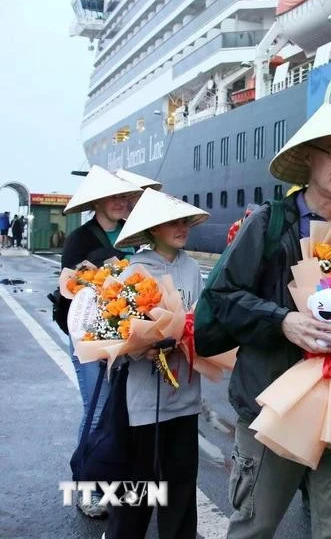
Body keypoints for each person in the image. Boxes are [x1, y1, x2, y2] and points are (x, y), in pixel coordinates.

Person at [197, 103, 331, 539]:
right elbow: (221, 299)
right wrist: (282, 321)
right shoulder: (268, 224)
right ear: (309, 158)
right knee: (253, 527)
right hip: (273, 406)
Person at [105, 188, 208, 539]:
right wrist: (139, 348)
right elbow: (110, 333)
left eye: (184, 221)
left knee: (181, 484)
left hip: (186, 396)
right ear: (152, 230)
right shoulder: (132, 271)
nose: (182, 227)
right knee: (137, 487)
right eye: (172, 222)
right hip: (145, 401)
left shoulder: (193, 268)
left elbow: (201, 317)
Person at [61, 165, 142, 519]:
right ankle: (86, 487)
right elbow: (69, 297)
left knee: (119, 414)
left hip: (127, 339)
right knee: (96, 413)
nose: (124, 202)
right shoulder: (80, 240)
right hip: (90, 339)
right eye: (117, 196)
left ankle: (114, 481)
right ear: (99, 201)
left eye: (127, 196)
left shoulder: (133, 234)